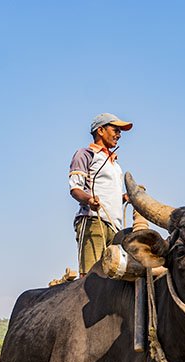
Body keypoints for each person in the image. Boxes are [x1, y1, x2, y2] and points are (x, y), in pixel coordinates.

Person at [69, 113, 133, 276]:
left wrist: (125, 198)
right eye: (115, 130)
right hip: (93, 221)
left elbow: (107, 194)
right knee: (91, 277)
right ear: (101, 130)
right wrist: (89, 200)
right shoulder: (86, 154)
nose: (119, 135)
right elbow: (75, 189)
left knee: (112, 277)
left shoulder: (115, 164)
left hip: (114, 225)